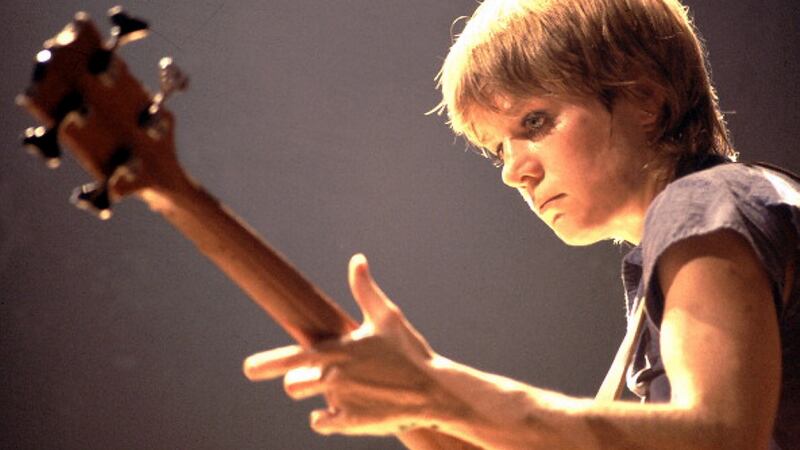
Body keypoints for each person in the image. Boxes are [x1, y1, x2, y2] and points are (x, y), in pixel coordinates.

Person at [103, 0, 793, 448]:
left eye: (535, 123)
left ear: (644, 98)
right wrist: (420, 406)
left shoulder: (706, 201)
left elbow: (722, 436)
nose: (514, 170)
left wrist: (435, 388)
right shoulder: (694, 238)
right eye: (499, 147)